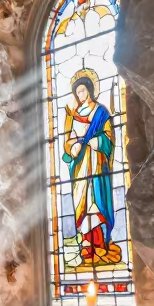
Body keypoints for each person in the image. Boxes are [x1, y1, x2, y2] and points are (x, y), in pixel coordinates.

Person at [63, 68, 120, 266]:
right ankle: (86, 243)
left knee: (96, 202)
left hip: (96, 164)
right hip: (80, 167)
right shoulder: (74, 114)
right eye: (77, 92)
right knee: (83, 204)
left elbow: (109, 138)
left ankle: (99, 243)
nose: (80, 95)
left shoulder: (101, 112)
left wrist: (94, 142)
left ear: (89, 90)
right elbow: (68, 141)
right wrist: (73, 147)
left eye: (82, 91)